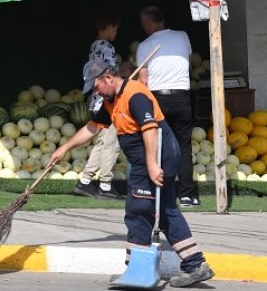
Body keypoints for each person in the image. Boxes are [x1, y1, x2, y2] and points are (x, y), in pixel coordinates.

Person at [50, 59, 214, 287]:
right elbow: (92, 128)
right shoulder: (111, 101)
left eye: (96, 86)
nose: (95, 92)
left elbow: (150, 130)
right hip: (150, 158)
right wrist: (64, 148)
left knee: (138, 210)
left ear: (108, 77)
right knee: (164, 209)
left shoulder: (135, 95)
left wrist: (152, 165)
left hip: (156, 155)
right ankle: (195, 265)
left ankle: (136, 271)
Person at [135, 6, 199, 207]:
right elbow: (188, 65)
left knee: (157, 145)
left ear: (148, 23)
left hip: (157, 98)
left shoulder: (144, 45)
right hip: (181, 95)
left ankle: (160, 193)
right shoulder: (183, 37)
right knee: (183, 145)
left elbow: (143, 80)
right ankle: (187, 194)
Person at [74, 8, 126, 200]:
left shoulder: (94, 46)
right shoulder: (107, 47)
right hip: (107, 101)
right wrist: (126, 70)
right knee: (111, 142)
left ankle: (85, 181)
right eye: (116, 29)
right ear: (110, 27)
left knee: (103, 142)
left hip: (95, 101)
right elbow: (111, 75)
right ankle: (105, 184)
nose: (116, 33)